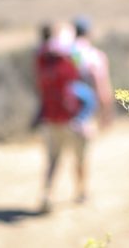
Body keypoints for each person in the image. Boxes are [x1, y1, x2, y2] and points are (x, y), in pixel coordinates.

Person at [35, 23, 95, 212]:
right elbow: (82, 85)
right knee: (80, 157)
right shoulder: (73, 56)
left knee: (53, 159)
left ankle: (47, 194)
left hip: (51, 118)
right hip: (72, 118)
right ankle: (82, 192)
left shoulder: (42, 59)